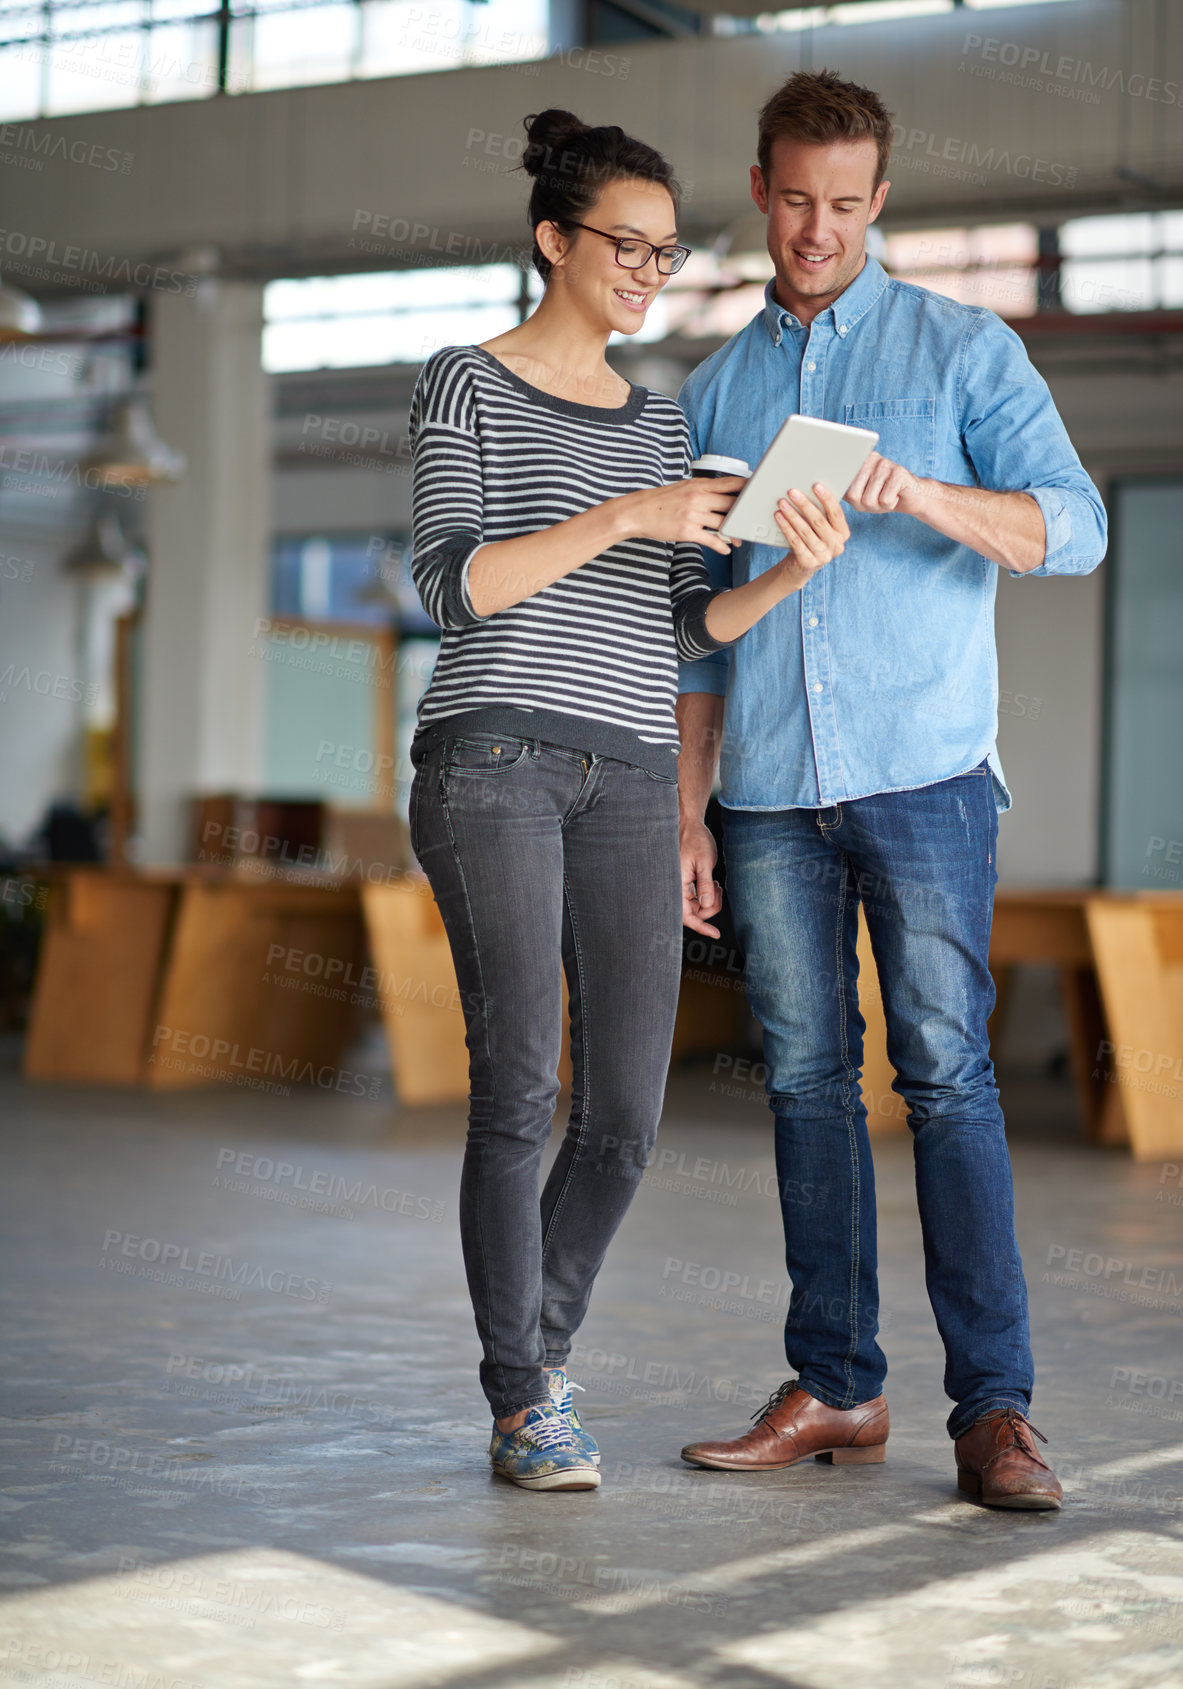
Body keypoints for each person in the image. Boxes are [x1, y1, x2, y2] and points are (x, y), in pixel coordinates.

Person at [675, 69, 1107, 1509]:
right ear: (761, 188)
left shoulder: (962, 349)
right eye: (795, 200)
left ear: (881, 201)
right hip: (770, 796)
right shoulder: (718, 388)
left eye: (846, 205)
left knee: (948, 1075)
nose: (818, 229)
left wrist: (924, 494)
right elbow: (694, 635)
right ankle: (837, 1383)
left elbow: (1075, 527)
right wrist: (690, 809)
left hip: (926, 780)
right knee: (802, 1080)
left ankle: (996, 1411)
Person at [407, 107, 850, 1492]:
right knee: (523, 1089)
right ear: (555, 239)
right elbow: (454, 585)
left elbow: (682, 632)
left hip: (632, 770)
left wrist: (787, 574)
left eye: (667, 251)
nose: (650, 270)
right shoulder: (462, 383)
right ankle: (526, 1400)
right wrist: (625, 516)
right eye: (626, 244)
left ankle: (535, 1364)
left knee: (626, 1116)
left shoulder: (660, 415)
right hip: (492, 761)